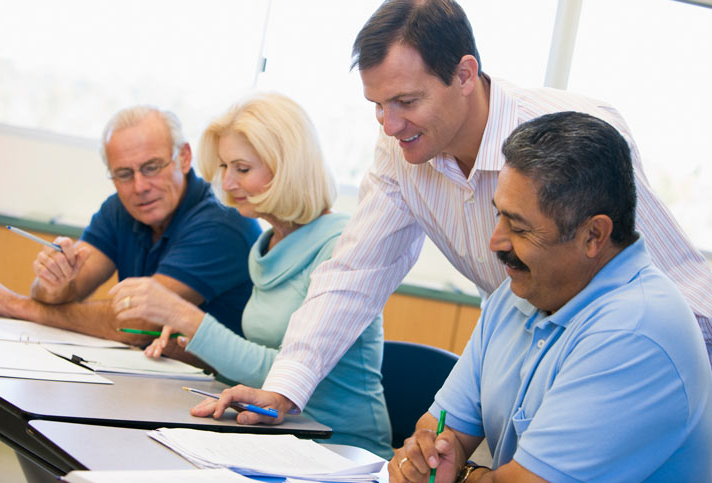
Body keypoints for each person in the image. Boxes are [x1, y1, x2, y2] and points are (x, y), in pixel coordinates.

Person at [206, 0, 712, 423]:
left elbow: (661, 281)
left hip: (647, 360)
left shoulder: (571, 135)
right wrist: (286, 388)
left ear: (465, 74)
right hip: (537, 352)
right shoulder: (402, 155)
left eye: (406, 101)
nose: (389, 124)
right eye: (377, 104)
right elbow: (355, 272)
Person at [389, 111, 712, 482]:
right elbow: (440, 429)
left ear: (594, 235)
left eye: (519, 227)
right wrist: (428, 455)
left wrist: (463, 475)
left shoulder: (636, 331)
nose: (495, 241)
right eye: (499, 216)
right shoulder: (518, 295)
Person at [107, 93, 394, 459]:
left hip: (334, 448)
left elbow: (288, 372)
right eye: (225, 168)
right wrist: (189, 343)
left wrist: (188, 319)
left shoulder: (342, 246)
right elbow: (260, 362)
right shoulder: (268, 244)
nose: (226, 183)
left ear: (288, 167)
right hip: (271, 435)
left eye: (241, 169)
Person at [0, 105, 260, 352]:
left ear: (185, 157)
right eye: (124, 174)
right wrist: (54, 283)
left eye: (151, 167)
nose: (140, 187)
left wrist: (16, 305)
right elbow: (56, 292)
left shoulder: (223, 220)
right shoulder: (120, 208)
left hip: (217, 393)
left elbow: (136, 325)